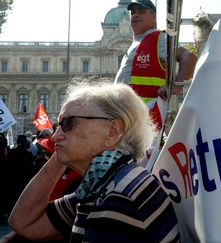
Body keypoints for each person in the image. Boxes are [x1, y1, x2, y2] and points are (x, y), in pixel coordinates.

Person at [6, 82, 180, 242]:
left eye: (69, 123)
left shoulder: (118, 198)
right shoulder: (104, 182)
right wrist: (64, 152)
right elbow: (23, 222)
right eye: (58, 126)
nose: (54, 136)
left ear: (113, 131)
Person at [115, 0, 197, 122]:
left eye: (141, 12)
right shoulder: (138, 41)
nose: (135, 15)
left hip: (144, 116)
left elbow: (189, 57)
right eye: (133, 13)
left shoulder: (159, 39)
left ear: (153, 16)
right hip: (130, 114)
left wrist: (176, 87)